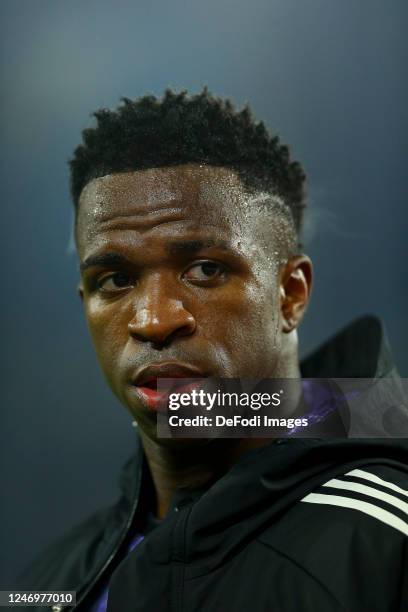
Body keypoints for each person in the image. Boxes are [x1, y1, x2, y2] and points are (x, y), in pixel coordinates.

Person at [15, 89, 407, 611]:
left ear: (291, 294)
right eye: (116, 279)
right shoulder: (47, 583)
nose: (153, 320)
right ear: (84, 301)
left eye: (205, 270)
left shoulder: (384, 551)